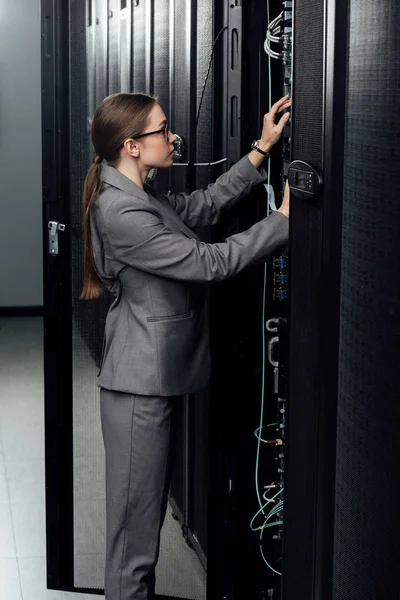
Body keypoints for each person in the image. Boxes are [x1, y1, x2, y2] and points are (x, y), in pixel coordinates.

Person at [81, 91, 291, 600]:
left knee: (141, 530)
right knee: (135, 544)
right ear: (132, 145)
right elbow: (210, 263)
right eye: (162, 130)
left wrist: (260, 150)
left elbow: (202, 205)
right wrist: (286, 220)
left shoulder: (139, 195)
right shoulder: (121, 211)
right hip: (138, 390)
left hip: (152, 381)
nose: (173, 137)